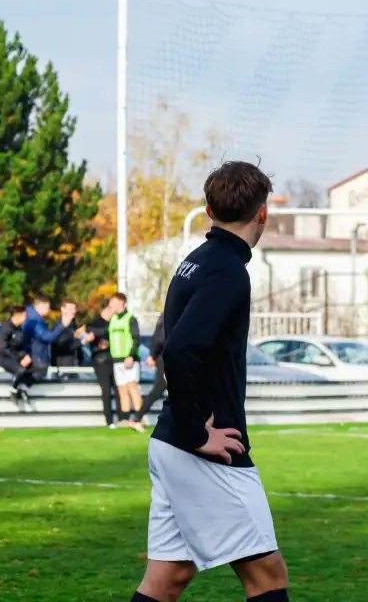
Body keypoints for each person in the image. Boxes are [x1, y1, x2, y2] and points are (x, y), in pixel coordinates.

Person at [130, 161, 288, 602]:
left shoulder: (196, 261)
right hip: (206, 451)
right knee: (267, 577)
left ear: (208, 210)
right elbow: (179, 350)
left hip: (172, 444)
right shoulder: (226, 270)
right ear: (262, 213)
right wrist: (198, 430)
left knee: (168, 577)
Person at [21, 295, 73, 399]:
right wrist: (63, 325)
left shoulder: (31, 317)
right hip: (37, 359)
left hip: (36, 357)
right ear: (40, 305)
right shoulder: (34, 321)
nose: (49, 310)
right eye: (47, 307)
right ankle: (23, 389)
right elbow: (47, 337)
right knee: (38, 378)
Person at [108, 292, 144, 432]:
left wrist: (131, 355)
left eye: (113, 301)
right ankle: (125, 419)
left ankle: (139, 418)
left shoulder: (130, 319)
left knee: (132, 388)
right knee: (122, 390)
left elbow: (136, 338)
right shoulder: (113, 319)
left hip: (128, 359)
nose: (110, 305)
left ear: (120, 302)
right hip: (116, 359)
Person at [85, 299, 118, 428]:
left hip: (113, 358)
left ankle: (122, 418)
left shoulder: (114, 323)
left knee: (118, 389)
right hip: (101, 360)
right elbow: (92, 332)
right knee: (106, 390)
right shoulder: (95, 323)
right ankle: (109, 420)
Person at [0, 305, 33, 401]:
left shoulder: (19, 329)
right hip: (4, 357)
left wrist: (25, 356)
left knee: (37, 369)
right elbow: (2, 347)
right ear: (17, 315)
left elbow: (20, 346)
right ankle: (13, 390)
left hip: (16, 356)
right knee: (20, 369)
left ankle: (23, 389)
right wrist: (18, 357)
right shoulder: (5, 328)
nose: (26, 318)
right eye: (24, 315)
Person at [136, 312, 166, 423]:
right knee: (159, 389)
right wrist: (153, 355)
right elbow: (160, 338)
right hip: (167, 357)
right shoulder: (174, 313)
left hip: (168, 357)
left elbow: (157, 337)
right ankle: (137, 417)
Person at [50, 299, 87, 370]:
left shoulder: (73, 325)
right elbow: (65, 345)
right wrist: (83, 341)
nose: (73, 311)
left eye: (74, 309)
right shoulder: (58, 326)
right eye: (70, 309)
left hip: (74, 364)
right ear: (62, 309)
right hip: (63, 366)